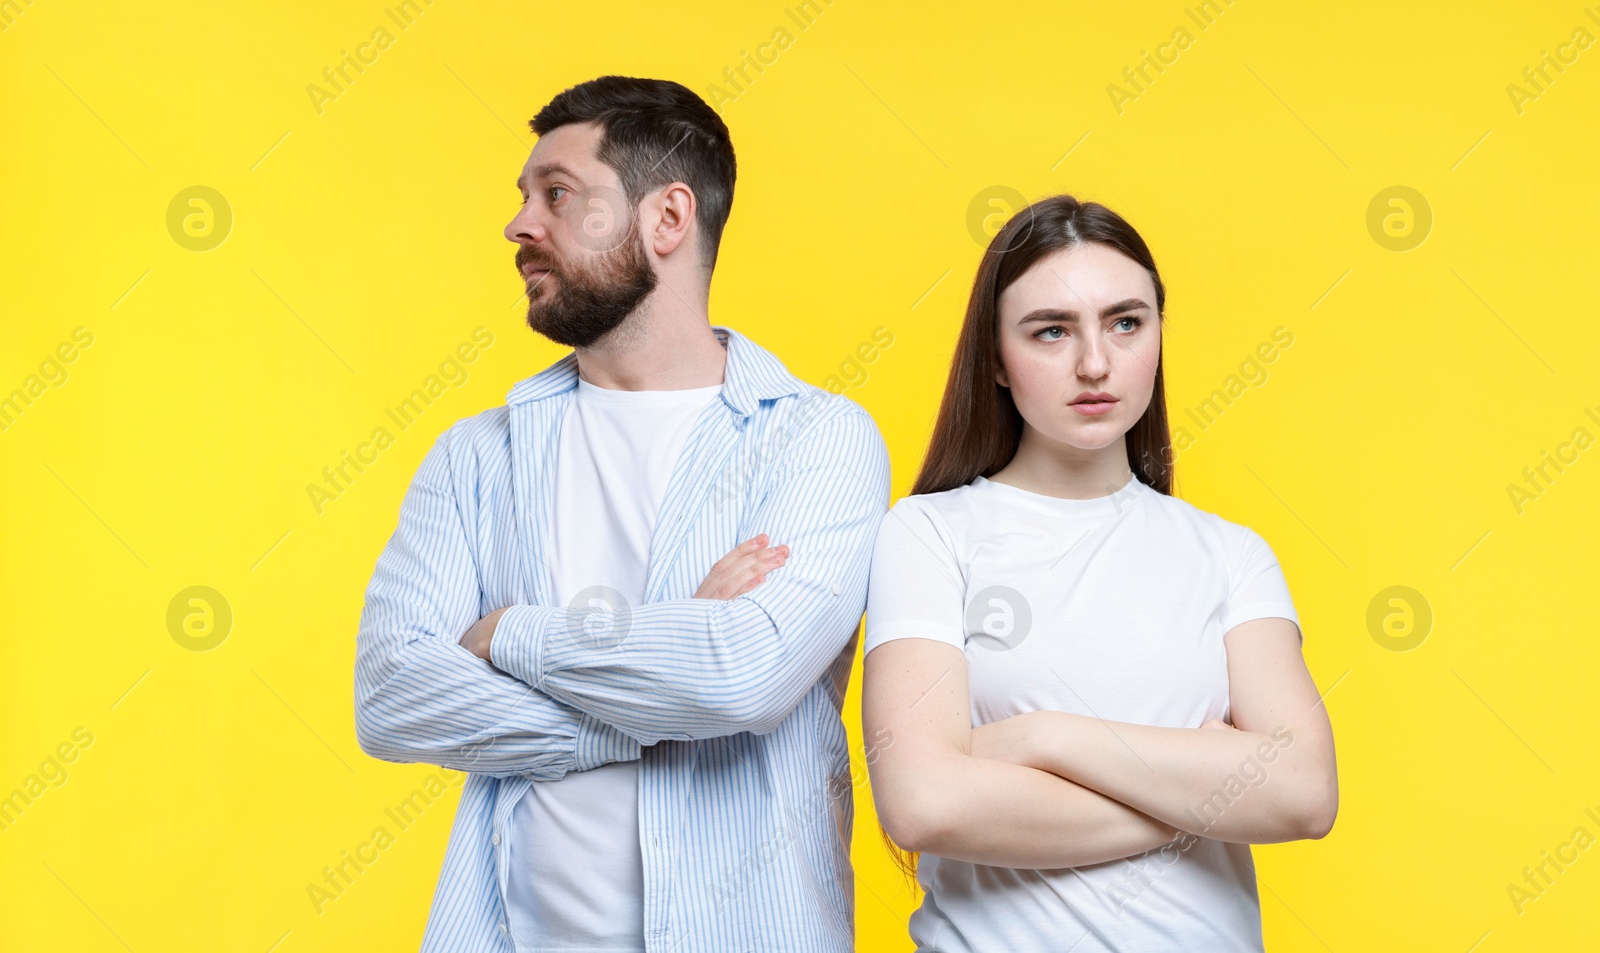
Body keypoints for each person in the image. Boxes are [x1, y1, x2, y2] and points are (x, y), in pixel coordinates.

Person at [353, 75, 889, 953]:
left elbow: (742, 675)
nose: (520, 225)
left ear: (667, 218)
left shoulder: (816, 439)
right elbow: (392, 697)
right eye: (524, 197)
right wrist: (670, 661)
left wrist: (508, 637)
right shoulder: (476, 456)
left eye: (557, 194)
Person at [861, 194, 1338, 951]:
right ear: (996, 360)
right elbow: (924, 804)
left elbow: (1307, 793)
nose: (1094, 362)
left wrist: (1043, 737)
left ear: (1157, 332)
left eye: (1126, 322)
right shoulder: (927, 535)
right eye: (1051, 330)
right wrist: (1209, 791)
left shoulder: (1230, 553)